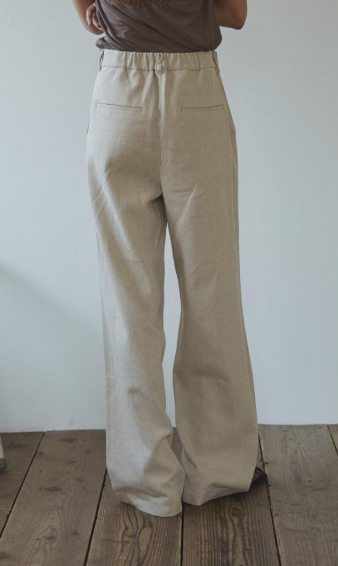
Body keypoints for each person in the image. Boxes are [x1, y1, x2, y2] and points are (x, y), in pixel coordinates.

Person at [71, 0, 267, 517]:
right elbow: (234, 14)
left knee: (128, 304)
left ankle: (147, 481)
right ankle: (218, 472)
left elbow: (86, 11)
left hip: (118, 96)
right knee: (211, 295)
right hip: (192, 97)